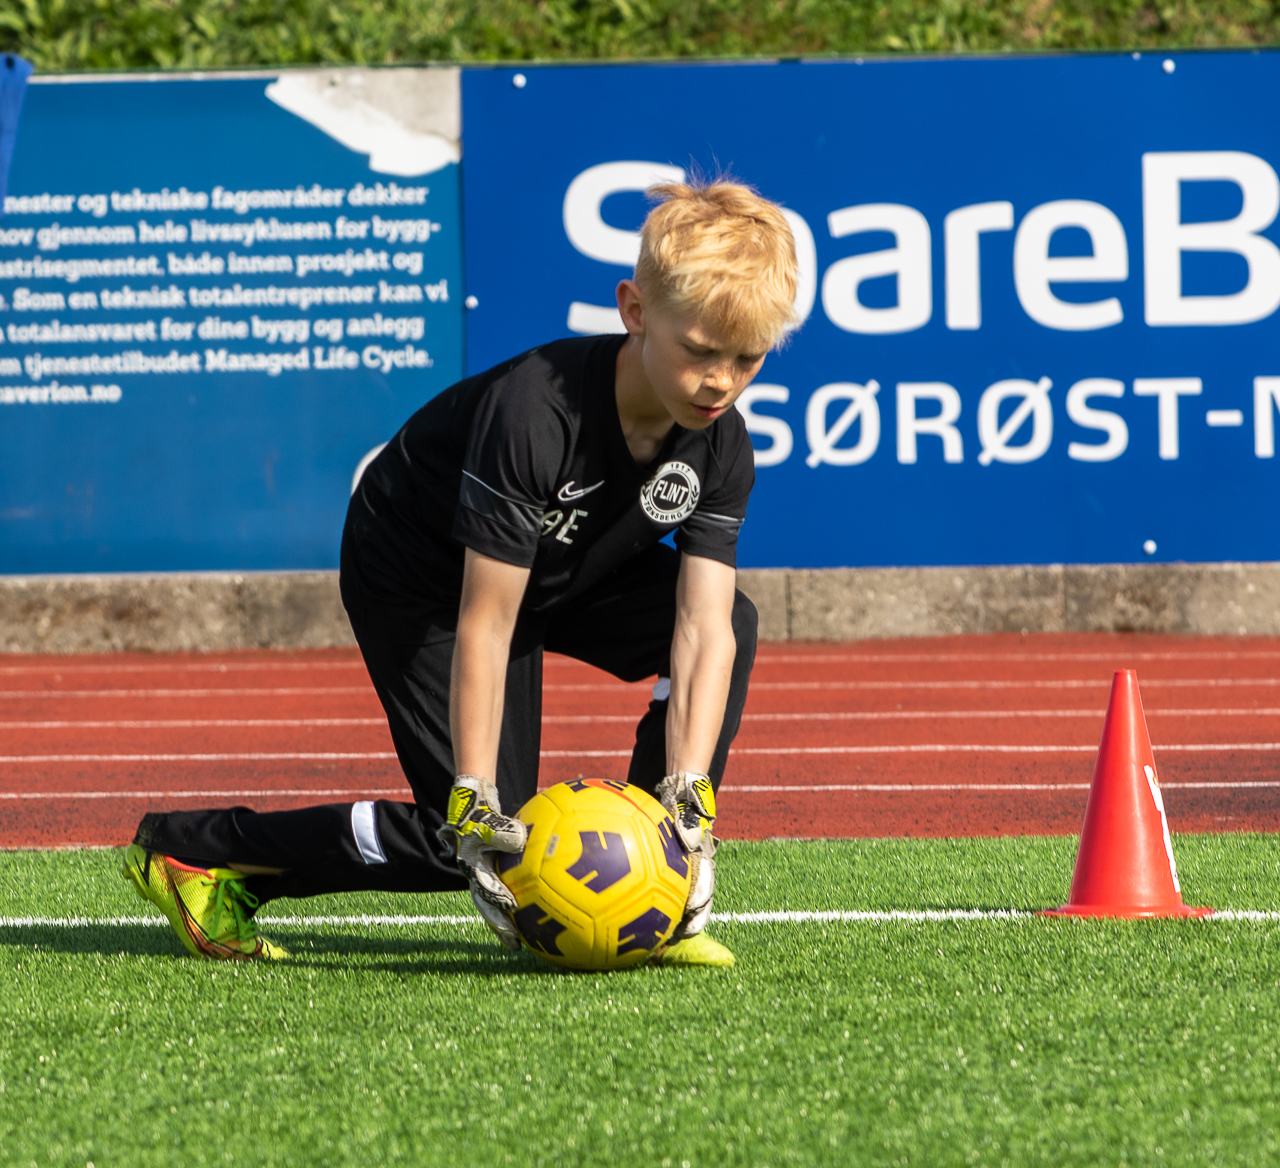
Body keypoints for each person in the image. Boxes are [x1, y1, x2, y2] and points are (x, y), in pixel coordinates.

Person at [122, 179, 799, 967]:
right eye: (700, 352)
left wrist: (689, 804)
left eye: (746, 358)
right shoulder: (536, 414)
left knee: (739, 620)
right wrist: (475, 798)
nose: (722, 380)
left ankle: (652, 880)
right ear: (635, 311)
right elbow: (488, 619)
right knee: (466, 838)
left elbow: (703, 627)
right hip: (422, 572)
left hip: (558, 566)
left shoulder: (722, 443)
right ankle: (202, 853)